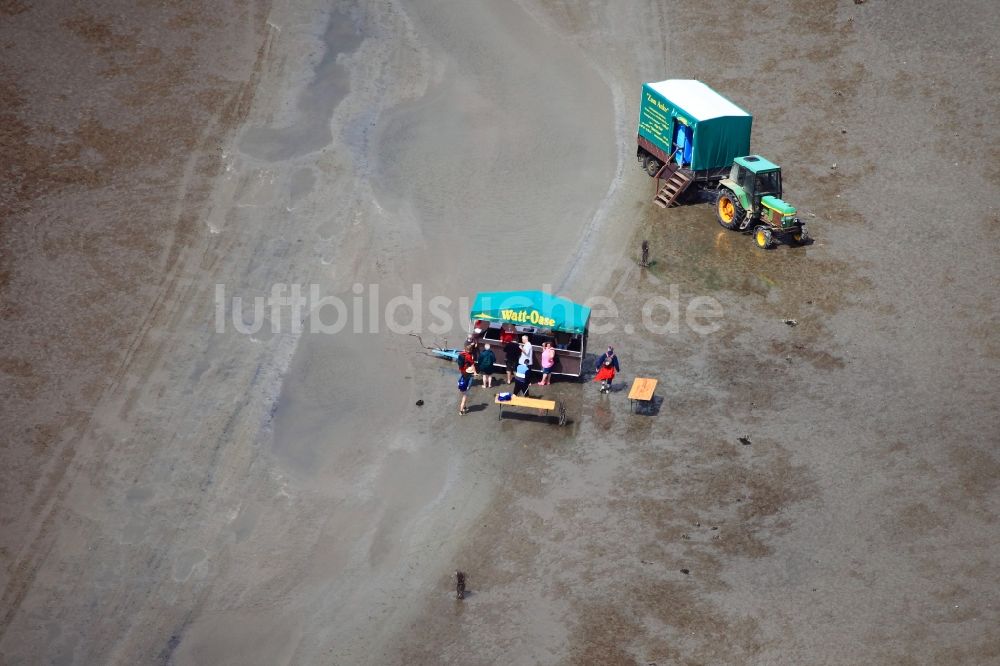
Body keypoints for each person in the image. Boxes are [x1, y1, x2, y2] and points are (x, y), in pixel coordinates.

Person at [456, 346, 475, 414]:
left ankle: (464, 407)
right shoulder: (469, 377)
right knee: (464, 399)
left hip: (460, 386)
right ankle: (461, 411)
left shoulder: (462, 375)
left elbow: (458, 381)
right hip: (465, 387)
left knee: (463, 396)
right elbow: (469, 385)